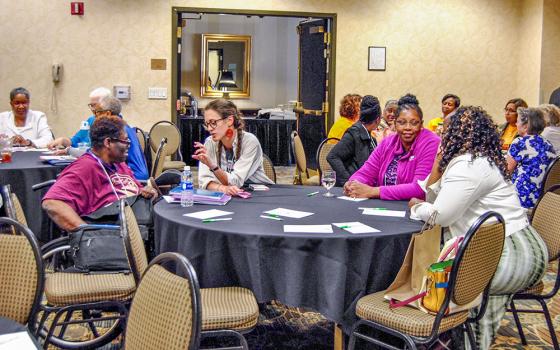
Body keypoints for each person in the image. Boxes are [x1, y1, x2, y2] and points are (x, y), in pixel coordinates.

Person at [410, 106, 547, 350]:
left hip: (512, 257)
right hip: (523, 247)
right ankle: (451, 338)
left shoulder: (469, 165)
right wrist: (438, 165)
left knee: (437, 266)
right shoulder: (484, 159)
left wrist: (415, 208)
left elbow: (439, 215)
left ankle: (448, 338)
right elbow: (433, 195)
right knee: (445, 260)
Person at [42, 116, 157, 231]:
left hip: (139, 220)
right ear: (108, 142)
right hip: (115, 232)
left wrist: (145, 190)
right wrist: (87, 232)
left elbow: (134, 188)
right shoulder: (85, 167)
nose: (129, 145)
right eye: (125, 141)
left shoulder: (119, 163)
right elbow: (52, 203)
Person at [343, 94, 440, 200]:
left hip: (411, 208)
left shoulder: (431, 142)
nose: (407, 127)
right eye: (401, 123)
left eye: (414, 123)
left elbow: (419, 189)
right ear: (394, 124)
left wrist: (373, 191)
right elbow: (366, 172)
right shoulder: (388, 143)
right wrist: (353, 184)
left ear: (421, 124)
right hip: (383, 206)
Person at [48, 92, 148, 180]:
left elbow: (141, 174)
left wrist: (69, 151)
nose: (94, 116)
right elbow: (96, 154)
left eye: (97, 112)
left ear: (108, 113)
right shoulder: (116, 128)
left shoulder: (121, 133)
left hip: (130, 181)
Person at [193, 99, 273, 195]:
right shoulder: (210, 143)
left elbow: (235, 182)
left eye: (213, 122)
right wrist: (223, 189)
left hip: (259, 195)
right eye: (207, 124)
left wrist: (212, 165)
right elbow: (204, 182)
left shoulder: (250, 142)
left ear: (229, 121)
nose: (209, 129)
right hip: (230, 195)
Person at [507, 107, 556, 208]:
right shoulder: (548, 144)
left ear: (526, 126)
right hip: (542, 200)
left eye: (517, 122)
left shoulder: (520, 142)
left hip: (521, 198)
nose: (516, 124)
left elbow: (506, 171)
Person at [327, 95, 381, 186]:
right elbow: (332, 156)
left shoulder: (370, 136)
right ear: (378, 120)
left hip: (365, 186)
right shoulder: (353, 134)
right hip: (352, 187)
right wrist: (348, 181)